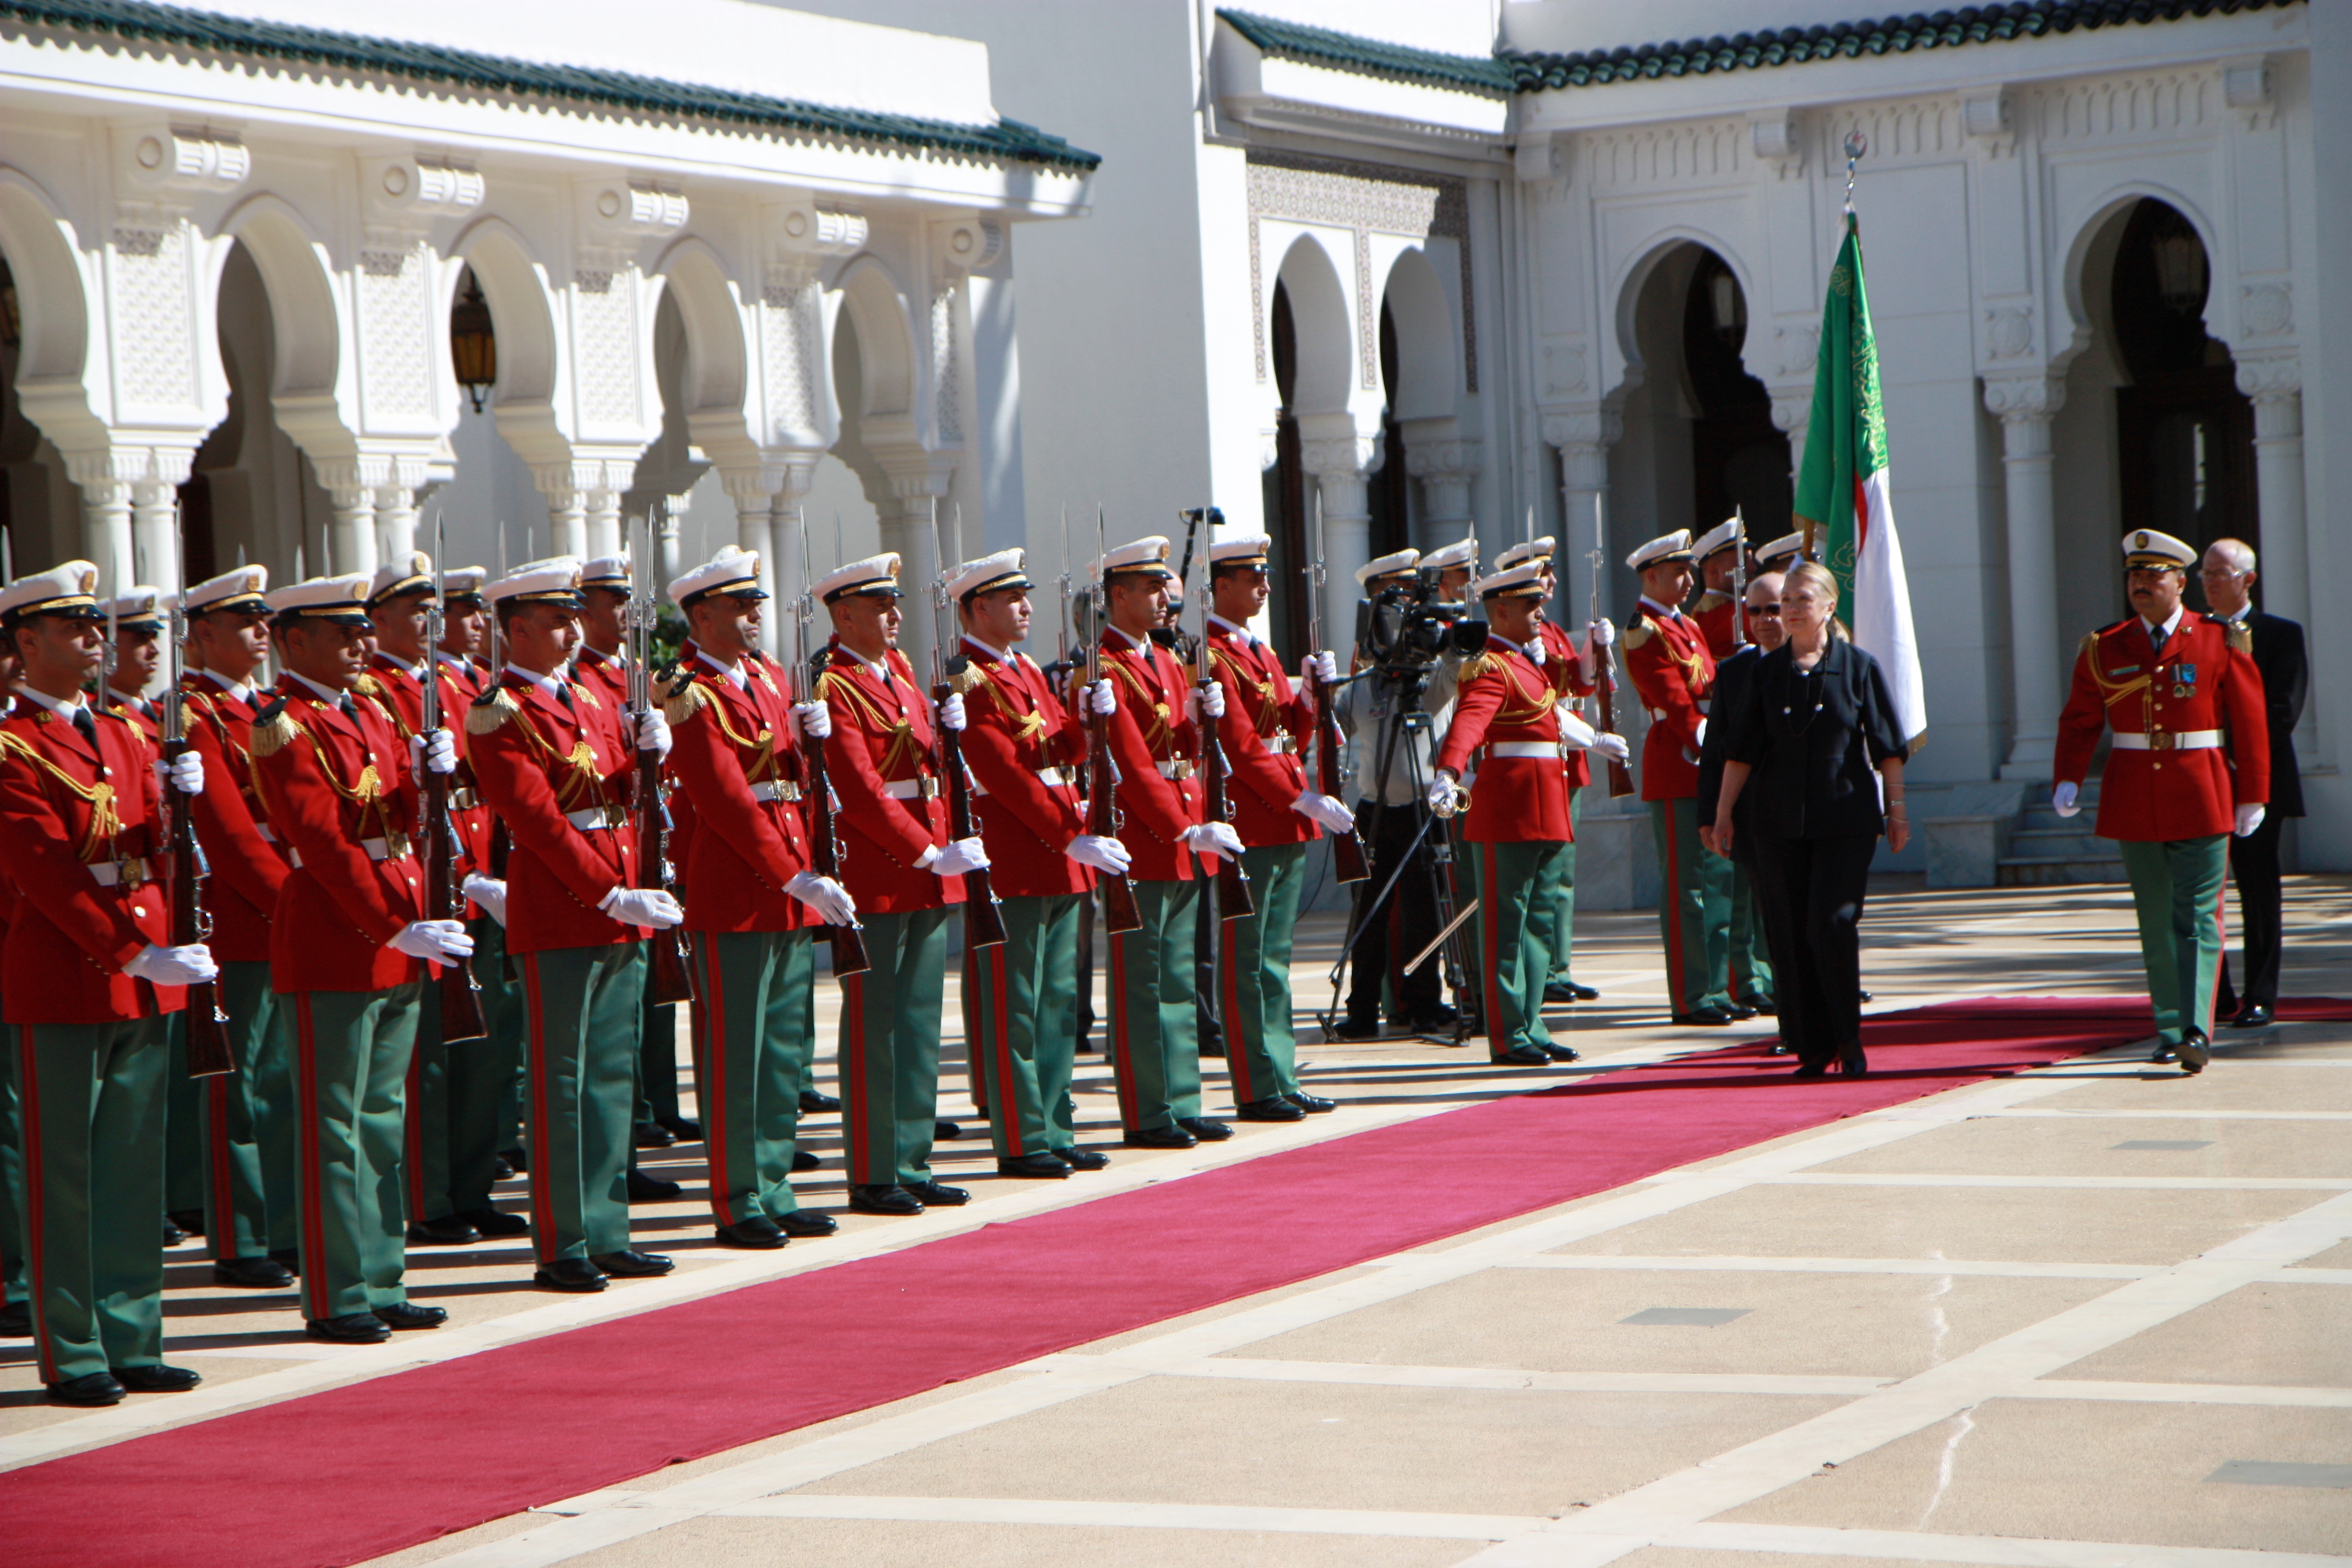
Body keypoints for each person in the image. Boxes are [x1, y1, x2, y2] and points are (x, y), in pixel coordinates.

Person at [0, 561, 216, 1404]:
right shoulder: (12, 747)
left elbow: (150, 852)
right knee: (66, 1173)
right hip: (66, 977)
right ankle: (76, 1349)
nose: (97, 639)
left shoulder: (127, 732)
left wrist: (174, 809)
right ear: (26, 642)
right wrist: (132, 952)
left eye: (98, 625)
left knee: (132, 1166)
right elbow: (47, 876)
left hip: (142, 976)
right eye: (74, 627)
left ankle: (133, 1335)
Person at [248, 571, 468, 1342]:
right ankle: (338, 1294)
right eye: (342, 634)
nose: (360, 644)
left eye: (361, 631)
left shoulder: (370, 708)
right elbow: (322, 841)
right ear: (293, 640)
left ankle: (381, 1275)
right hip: (338, 936)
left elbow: (395, 819)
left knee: (382, 1120)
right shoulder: (284, 725)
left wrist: (429, 772)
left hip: (396, 929)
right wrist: (391, 923)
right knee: (334, 1127)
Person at [465, 557, 680, 1289]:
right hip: (563, 907)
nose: (570, 629)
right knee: (562, 1080)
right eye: (556, 620)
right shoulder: (500, 711)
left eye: (572, 618)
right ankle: (562, 1243)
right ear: (517, 629)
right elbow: (538, 821)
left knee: (611, 1077)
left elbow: (614, 793)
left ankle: (606, 1227)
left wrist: (652, 756)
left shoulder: (588, 697)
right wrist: (609, 893)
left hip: (619, 900)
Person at [660, 546, 848, 1244]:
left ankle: (774, 1182)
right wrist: (789, 871)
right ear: (701, 616)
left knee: (778, 1053)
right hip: (736, 883)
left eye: (755, 605)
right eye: (739, 607)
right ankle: (737, 1198)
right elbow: (725, 797)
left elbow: (787, 780)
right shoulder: (685, 689)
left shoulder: (769, 679)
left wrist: (808, 742)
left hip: (787, 880)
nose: (753, 617)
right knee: (737, 1051)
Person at [2053, 530, 2268, 1074]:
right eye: (2134, 576)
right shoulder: (2106, 646)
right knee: (2155, 917)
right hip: (2134, 794)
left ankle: (2197, 1028)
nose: (2142, 585)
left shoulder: (2219, 638)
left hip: (2202, 790)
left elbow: (2249, 720)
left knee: (2199, 916)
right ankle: (2170, 1028)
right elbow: (2081, 719)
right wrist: (2068, 778)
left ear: (2180, 582)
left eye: (2154, 576)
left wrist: (2254, 794)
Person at [814, 552, 986, 1214]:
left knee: (917, 1025)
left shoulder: (903, 675)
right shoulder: (836, 687)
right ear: (844, 614)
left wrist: (949, 736)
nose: (895, 616)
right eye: (880, 606)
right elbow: (859, 791)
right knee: (876, 1026)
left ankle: (911, 1160)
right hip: (883, 871)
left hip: (925, 868)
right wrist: (925, 851)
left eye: (896, 604)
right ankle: (874, 1169)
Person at [361, 553, 523, 1249]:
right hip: (435, 881)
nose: (432, 619)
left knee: (483, 1048)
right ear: (381, 622)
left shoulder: (466, 682)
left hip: (487, 875)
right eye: (416, 609)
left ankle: (472, 1184)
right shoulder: (376, 691)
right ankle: (429, 1198)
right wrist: (458, 876)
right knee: (431, 1053)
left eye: (436, 608)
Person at [946, 548, 1124, 1174]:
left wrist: (1086, 715)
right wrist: (1067, 835)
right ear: (977, 608)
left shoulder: (1023, 669)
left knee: (1055, 1002)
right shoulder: (971, 678)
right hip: (1021, 853)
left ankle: (1055, 1123)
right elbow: (1005, 774)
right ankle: (1021, 1136)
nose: (1026, 607)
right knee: (1015, 1004)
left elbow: (1059, 752)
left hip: (1059, 850)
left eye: (1026, 595)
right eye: (1011, 598)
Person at [1711, 561, 1910, 1077]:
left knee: (1833, 924)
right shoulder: (1765, 673)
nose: (1791, 610)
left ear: (1828, 607)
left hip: (1845, 818)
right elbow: (1742, 752)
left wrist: (1898, 811)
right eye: (1787, 602)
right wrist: (1724, 812)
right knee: (1790, 932)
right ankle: (1812, 1047)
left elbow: (1886, 746)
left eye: (1803, 600)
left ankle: (1849, 1039)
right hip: (1778, 824)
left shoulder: (1859, 667)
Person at [1428, 559, 1623, 1065]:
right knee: (1504, 924)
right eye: (1530, 605)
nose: (1541, 612)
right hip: (1509, 808)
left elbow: (1554, 717)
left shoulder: (1527, 665)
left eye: (1540, 602)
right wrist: (1448, 772)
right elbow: (1468, 725)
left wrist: (1597, 741)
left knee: (1537, 923)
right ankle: (1508, 1034)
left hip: (1547, 805)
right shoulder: (1490, 666)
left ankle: (1532, 1024)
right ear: (1501, 610)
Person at [1092, 537, 1240, 1146]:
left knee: (1179, 978)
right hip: (1149, 838)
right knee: (1146, 981)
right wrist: (1182, 826)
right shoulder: (1104, 666)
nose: (1164, 598)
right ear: (1118, 595)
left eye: (1165, 588)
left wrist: (1204, 715)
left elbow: (1179, 751)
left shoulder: (1163, 658)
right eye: (1151, 589)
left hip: (1185, 831)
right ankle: (1149, 1111)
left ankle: (1181, 1098)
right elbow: (1130, 761)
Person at [176, 566, 300, 1288]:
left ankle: (284, 1221)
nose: (260, 632)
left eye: (262, 621)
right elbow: (230, 834)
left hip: (295, 905)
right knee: (243, 1080)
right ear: (203, 636)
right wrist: (302, 903)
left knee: (285, 1080)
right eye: (242, 621)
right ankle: (242, 1237)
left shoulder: (270, 706)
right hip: (247, 916)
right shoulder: (196, 715)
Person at [1202, 533, 1349, 1120]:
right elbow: (1240, 746)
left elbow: (1292, 732)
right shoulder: (1212, 654)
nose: (1264, 586)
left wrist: (1313, 693)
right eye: (1252, 577)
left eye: (1265, 576)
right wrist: (1301, 798)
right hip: (1256, 817)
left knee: (1275, 959)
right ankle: (1257, 1084)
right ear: (1222, 586)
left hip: (1285, 814)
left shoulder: (1257, 651)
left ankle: (1281, 1074)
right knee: (1250, 958)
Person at [575, 554, 697, 1155]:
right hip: (615, 842)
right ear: (586, 609)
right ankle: (639, 1113)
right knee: (623, 1005)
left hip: (649, 833)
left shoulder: (640, 671)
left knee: (658, 979)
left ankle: (659, 1102)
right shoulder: (583, 677)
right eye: (614, 600)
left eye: (630, 599)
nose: (627, 611)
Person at [1330, 549, 1461, 1039]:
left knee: (1427, 910)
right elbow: (1332, 728)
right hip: (1375, 810)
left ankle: (1426, 1003)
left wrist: (1445, 638)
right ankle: (1361, 1008)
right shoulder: (1364, 685)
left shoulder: (1432, 682)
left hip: (1425, 811)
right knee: (1370, 912)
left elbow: (1457, 671)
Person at [1621, 531, 1736, 1025]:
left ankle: (1714, 985)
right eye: (1677, 572)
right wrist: (1720, 745)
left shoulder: (1685, 623)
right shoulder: (1644, 630)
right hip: (1680, 761)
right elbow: (1674, 700)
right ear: (1651, 577)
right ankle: (1690, 997)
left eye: (1689, 571)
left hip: (1709, 756)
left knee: (1717, 880)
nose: (1688, 580)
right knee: (1686, 885)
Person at [1490, 536, 1608, 1009]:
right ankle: (1544, 972)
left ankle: (1557, 966)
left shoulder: (1553, 631)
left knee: (1561, 877)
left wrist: (1591, 648)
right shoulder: (1516, 641)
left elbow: (1577, 683)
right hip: (1535, 755)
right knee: (1536, 881)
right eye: (1543, 574)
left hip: (1563, 755)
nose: (1552, 581)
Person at [2201, 538, 2304, 1030]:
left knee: (2259, 891)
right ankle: (2217, 995)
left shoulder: (2281, 635)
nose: (2210, 581)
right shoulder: (2194, 634)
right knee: (2204, 894)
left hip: (2257, 781)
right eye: (2205, 573)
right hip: (2201, 780)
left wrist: (2240, 761)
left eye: (2220, 572)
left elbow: (2282, 711)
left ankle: (2260, 995)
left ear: (2248, 579)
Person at [1697, 572, 1794, 1045]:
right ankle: (1794, 1024)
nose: (1764, 620)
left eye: (1773, 609)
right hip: (1758, 821)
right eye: (1754, 611)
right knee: (1775, 926)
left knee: (1816, 925)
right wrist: (1709, 815)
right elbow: (1716, 749)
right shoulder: (1735, 672)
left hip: (1811, 814)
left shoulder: (1820, 665)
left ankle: (1826, 1015)